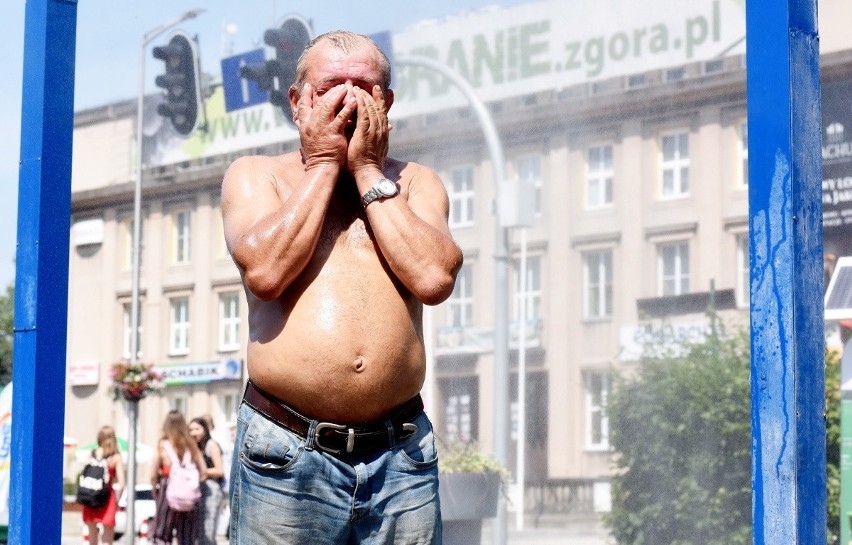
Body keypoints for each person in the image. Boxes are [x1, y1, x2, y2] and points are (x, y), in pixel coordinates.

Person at [221, 30, 463, 544]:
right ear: (298, 101)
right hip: (287, 454)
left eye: (364, 86)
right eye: (332, 85)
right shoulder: (256, 175)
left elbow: (434, 277)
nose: (348, 99)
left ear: (387, 102)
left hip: (401, 458)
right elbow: (265, 271)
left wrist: (369, 170)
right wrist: (325, 165)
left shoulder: (416, 181)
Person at [149, 410, 208, 545]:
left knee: (162, 533)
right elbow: (203, 472)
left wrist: (154, 489)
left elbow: (153, 474)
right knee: (187, 535)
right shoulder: (191, 444)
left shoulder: (163, 444)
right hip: (190, 497)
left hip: (167, 489)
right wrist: (189, 482)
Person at [81, 425, 125, 545]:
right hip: (107, 499)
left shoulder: (92, 454)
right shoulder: (115, 457)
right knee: (107, 538)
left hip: (90, 497)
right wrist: (117, 500)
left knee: (92, 538)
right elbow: (122, 483)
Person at [189, 416, 226, 545]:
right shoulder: (194, 447)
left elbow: (220, 470)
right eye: (191, 429)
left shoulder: (211, 445)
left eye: (197, 429)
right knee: (199, 532)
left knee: (207, 531)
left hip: (211, 491)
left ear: (205, 429)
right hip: (198, 491)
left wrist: (202, 472)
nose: (193, 432)